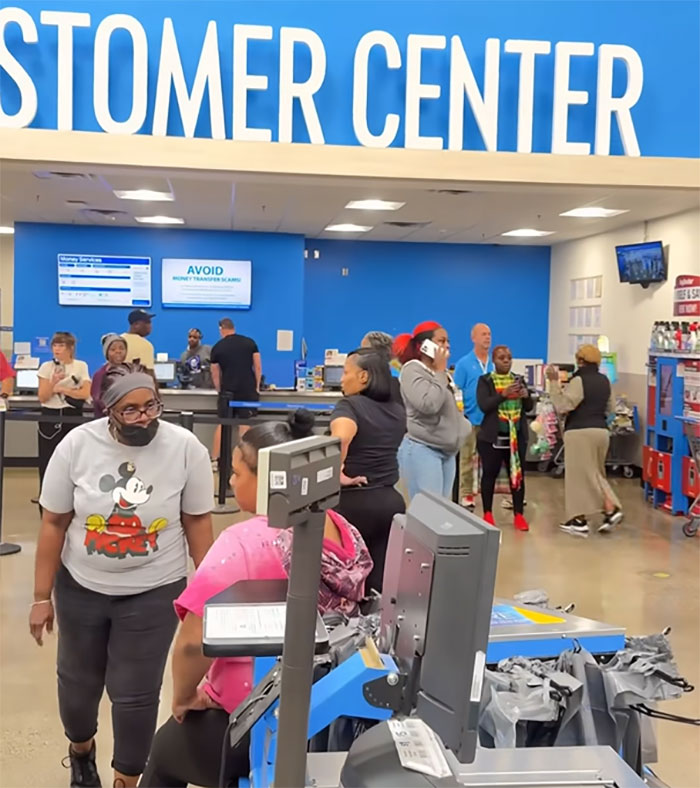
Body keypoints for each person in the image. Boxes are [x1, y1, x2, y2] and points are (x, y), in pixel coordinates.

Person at [140, 410, 371, 788]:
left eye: (236, 473)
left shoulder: (244, 542)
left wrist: (183, 697)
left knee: (164, 752)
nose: (231, 481)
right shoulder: (342, 529)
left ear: (267, 479)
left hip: (257, 716)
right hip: (328, 712)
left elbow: (192, 643)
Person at [29, 363, 214, 788]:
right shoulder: (78, 445)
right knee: (78, 686)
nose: (144, 417)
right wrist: (41, 596)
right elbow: (54, 522)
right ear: (107, 409)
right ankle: (81, 752)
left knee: (136, 695)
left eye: (151, 405)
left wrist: (208, 594)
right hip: (81, 587)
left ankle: (125, 779)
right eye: (130, 410)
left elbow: (197, 521)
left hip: (154, 588)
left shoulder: (185, 448)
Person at [330, 349, 406, 594]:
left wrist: (338, 473)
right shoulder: (397, 410)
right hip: (390, 503)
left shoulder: (349, 406)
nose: (342, 379)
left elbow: (341, 438)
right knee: (378, 584)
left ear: (363, 376)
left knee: (344, 581)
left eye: (345, 372)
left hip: (352, 505)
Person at [546, 345, 624, 537]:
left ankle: (596, 514)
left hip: (580, 432)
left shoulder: (579, 380)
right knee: (595, 473)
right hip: (601, 432)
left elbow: (563, 405)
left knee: (578, 477)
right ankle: (600, 512)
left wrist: (554, 383)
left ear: (580, 361)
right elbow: (611, 409)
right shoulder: (605, 381)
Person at [394, 321, 471, 499]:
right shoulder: (412, 370)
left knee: (442, 509)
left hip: (447, 451)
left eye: (448, 341)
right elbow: (429, 405)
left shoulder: (441, 374)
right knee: (427, 509)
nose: (447, 345)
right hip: (424, 449)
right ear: (424, 346)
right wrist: (440, 372)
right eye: (441, 341)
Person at [476, 345, 532, 532]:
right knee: (489, 474)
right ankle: (487, 513)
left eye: (509, 357)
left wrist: (526, 396)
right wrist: (503, 394)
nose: (506, 360)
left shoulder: (519, 380)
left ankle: (519, 515)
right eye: (501, 358)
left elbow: (529, 408)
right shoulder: (485, 381)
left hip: (516, 437)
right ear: (494, 360)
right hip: (492, 437)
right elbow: (484, 405)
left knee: (517, 476)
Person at [37, 331, 91, 489]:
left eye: (61, 345)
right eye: (55, 345)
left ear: (70, 348)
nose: (57, 349)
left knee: (74, 457)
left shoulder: (80, 366)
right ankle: (46, 495)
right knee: (48, 457)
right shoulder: (46, 367)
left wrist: (63, 390)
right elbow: (43, 397)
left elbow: (85, 393)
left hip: (72, 413)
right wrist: (53, 383)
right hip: (50, 414)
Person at [210, 318, 262, 461]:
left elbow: (215, 373)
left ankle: (215, 459)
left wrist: (219, 390)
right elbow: (257, 367)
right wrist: (257, 386)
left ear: (221, 329)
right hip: (247, 390)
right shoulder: (250, 343)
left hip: (228, 391)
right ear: (233, 327)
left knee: (223, 424)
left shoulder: (218, 347)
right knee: (244, 424)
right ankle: (243, 461)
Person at [453, 323, 493, 510]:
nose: (487, 337)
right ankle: (466, 494)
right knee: (467, 459)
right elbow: (457, 390)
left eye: (489, 334)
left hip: (490, 419)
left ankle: (490, 493)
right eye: (483, 334)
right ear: (474, 338)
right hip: (470, 418)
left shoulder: (493, 364)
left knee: (491, 461)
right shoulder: (464, 364)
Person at [91, 333, 128, 418]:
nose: (118, 351)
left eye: (122, 348)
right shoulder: (100, 375)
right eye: (113, 349)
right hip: (106, 419)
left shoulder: (131, 371)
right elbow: (97, 399)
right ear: (106, 353)